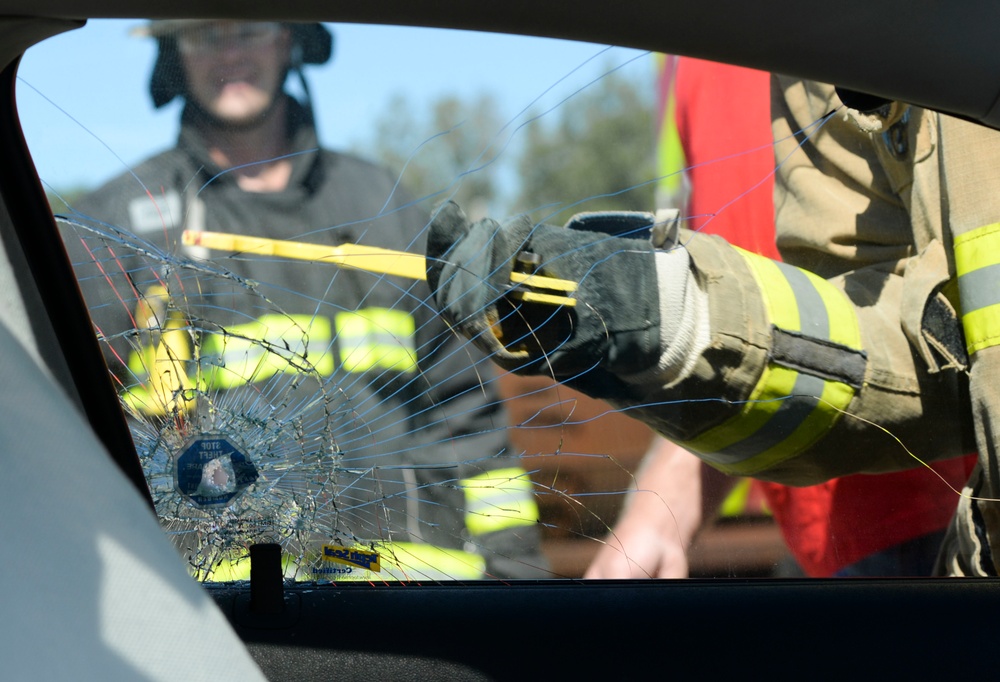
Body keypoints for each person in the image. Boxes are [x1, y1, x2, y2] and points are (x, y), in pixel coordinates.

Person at [425, 66, 1000, 576]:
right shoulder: (697, 53)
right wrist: (656, 315)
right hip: (844, 526)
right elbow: (856, 311)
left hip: (924, 512)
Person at [64, 20, 549, 581]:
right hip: (224, 634)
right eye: (204, 35)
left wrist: (518, 581)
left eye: (249, 29)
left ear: (292, 38)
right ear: (174, 55)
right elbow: (71, 440)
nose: (230, 53)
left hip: (420, 620)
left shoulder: (385, 208)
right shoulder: (114, 232)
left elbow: (469, 417)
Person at [586, 57, 975, 579]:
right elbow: (746, 307)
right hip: (821, 525)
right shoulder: (693, 55)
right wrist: (663, 503)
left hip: (937, 513)